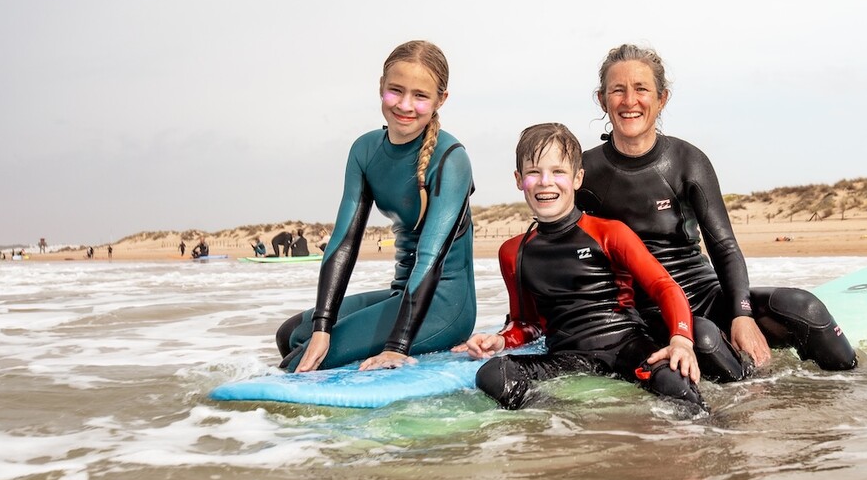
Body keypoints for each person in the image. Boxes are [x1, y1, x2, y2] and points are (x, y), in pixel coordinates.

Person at [575, 44, 857, 381]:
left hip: (706, 293)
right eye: (618, 90)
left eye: (641, 89)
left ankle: (854, 390)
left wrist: (742, 315)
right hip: (646, 310)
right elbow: (560, 246)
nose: (629, 101)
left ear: (662, 98)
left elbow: (723, 247)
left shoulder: (687, 161)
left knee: (805, 307)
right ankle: (752, 402)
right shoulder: (584, 172)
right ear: (602, 99)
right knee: (707, 340)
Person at [455, 123, 704, 411]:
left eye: (558, 171)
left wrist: (681, 340)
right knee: (493, 373)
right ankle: (564, 419)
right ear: (519, 179)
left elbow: (664, 287)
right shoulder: (513, 252)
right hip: (567, 357)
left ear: (577, 178)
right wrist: (499, 341)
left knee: (674, 379)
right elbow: (528, 324)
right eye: (534, 172)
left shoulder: (609, 233)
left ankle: (708, 428)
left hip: (627, 347)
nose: (545, 182)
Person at [274, 40, 477, 373]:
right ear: (381, 86)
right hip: (401, 293)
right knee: (292, 334)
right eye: (395, 91)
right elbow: (344, 243)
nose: (405, 105)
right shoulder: (365, 150)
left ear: (441, 99)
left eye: (420, 96)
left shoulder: (451, 158)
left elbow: (430, 258)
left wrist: (396, 348)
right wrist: (323, 326)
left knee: (299, 362)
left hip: (443, 305)